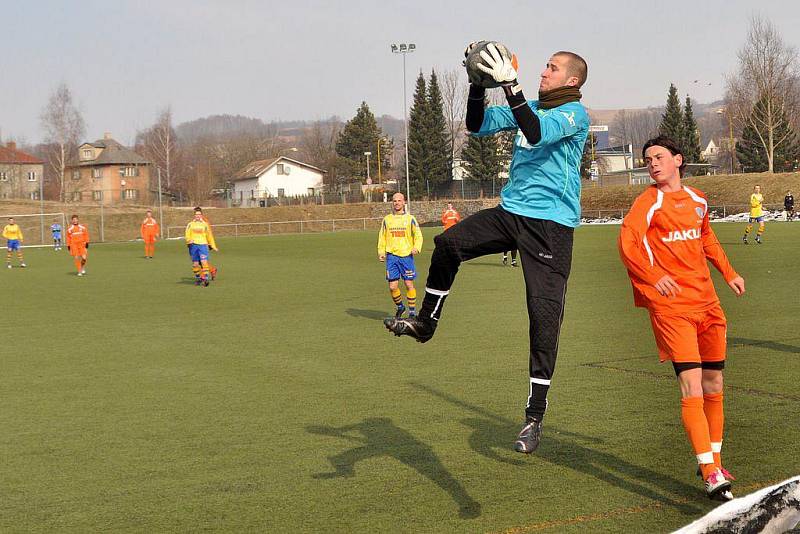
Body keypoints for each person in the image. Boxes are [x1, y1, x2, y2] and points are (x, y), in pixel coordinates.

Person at [384, 44, 590, 453]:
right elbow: (476, 125)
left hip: (551, 226)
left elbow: (536, 131)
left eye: (551, 68)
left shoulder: (574, 113)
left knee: (543, 317)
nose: (543, 72)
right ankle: (426, 322)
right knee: (448, 243)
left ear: (572, 80)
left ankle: (534, 417)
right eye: (544, 66)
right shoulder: (527, 104)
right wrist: (476, 85)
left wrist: (510, 84)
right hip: (512, 212)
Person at [618, 136, 745, 501]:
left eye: (658, 157)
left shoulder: (698, 200)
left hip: (708, 303)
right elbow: (628, 243)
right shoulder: (648, 202)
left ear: (678, 159)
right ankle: (709, 472)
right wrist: (653, 276)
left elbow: (707, 239)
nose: (652, 164)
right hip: (672, 308)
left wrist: (729, 272)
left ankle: (715, 461)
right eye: (647, 159)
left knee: (714, 383)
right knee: (690, 385)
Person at [378, 193, 423, 318]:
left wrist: (416, 248)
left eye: (399, 201)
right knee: (393, 287)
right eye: (394, 201)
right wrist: (381, 252)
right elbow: (382, 237)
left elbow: (418, 235)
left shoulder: (410, 219)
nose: (397, 203)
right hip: (392, 257)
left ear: (404, 202)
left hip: (406, 256)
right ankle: (400, 307)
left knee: (409, 284)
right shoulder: (387, 220)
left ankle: (412, 312)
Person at [185, 210, 218, 287]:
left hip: (203, 245)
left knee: (204, 261)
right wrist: (188, 240)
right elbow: (187, 234)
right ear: (194, 215)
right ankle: (198, 278)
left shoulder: (205, 224)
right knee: (195, 264)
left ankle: (205, 279)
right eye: (196, 214)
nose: (198, 216)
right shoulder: (190, 224)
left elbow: (209, 235)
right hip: (193, 246)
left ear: (201, 215)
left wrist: (213, 245)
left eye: (199, 214)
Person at [194, 207, 218, 280]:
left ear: (201, 213)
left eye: (197, 213)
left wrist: (209, 244)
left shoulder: (205, 222)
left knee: (201, 261)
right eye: (195, 213)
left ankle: (203, 276)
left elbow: (208, 233)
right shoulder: (195, 221)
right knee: (200, 261)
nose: (196, 215)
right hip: (197, 243)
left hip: (204, 243)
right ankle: (212, 270)